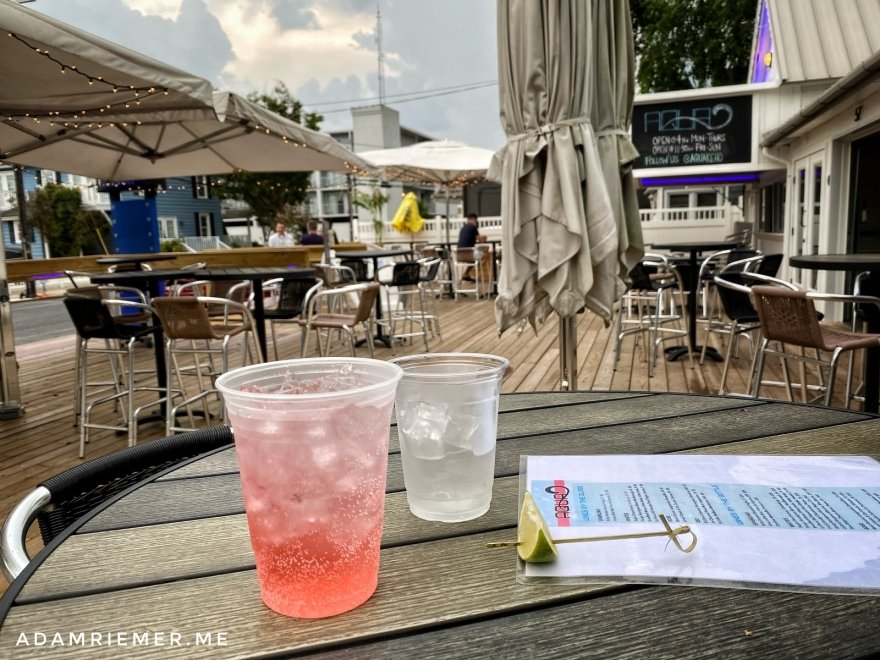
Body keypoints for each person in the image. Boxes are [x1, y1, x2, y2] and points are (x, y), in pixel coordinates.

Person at [457, 213, 487, 282]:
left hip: (459, 255)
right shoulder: (473, 227)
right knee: (484, 255)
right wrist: (484, 238)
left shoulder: (463, 228)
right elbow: (481, 240)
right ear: (474, 220)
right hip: (469, 255)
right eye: (476, 220)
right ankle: (478, 275)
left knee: (475, 258)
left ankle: (466, 274)